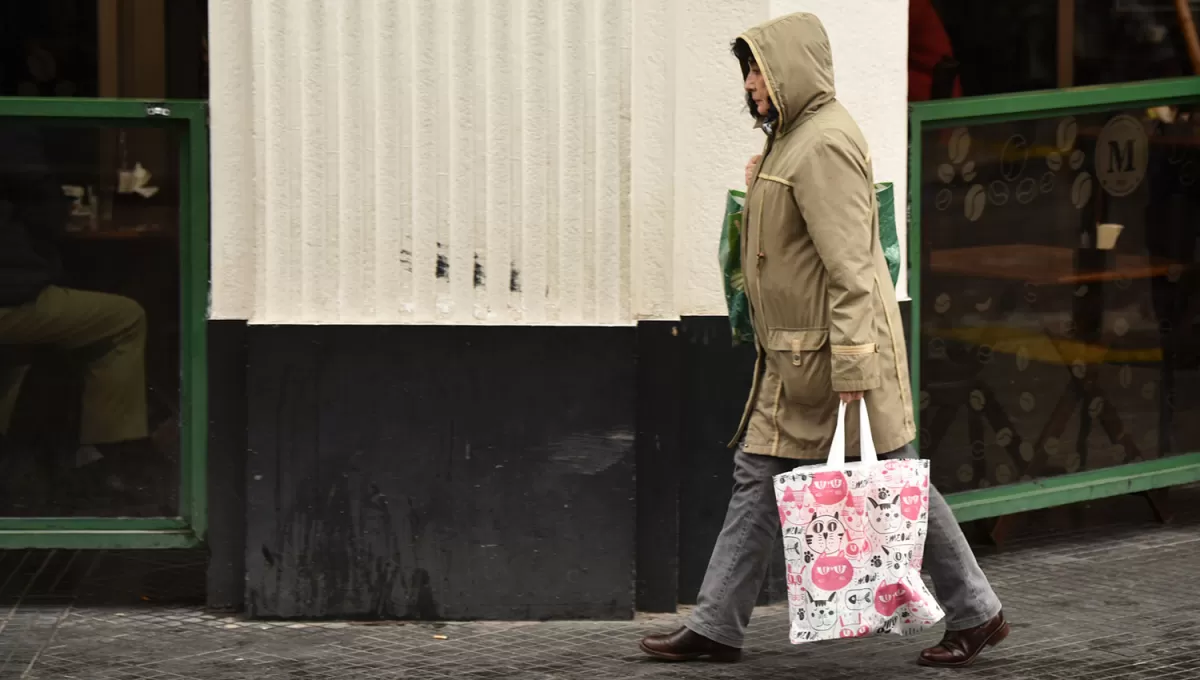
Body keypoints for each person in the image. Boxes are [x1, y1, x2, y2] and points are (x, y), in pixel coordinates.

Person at [639, 13, 1008, 668]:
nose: (751, 84)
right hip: (796, 359)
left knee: (895, 480)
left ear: (788, 71)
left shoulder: (824, 144)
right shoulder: (792, 140)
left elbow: (852, 270)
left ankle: (977, 611)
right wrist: (757, 193)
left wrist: (853, 368)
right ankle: (717, 623)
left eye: (758, 69)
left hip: (835, 360)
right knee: (757, 476)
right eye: (747, 71)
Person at [0, 122, 155, 502]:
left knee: (26, 348)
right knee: (125, 318)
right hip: (8, 301)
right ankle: (108, 455)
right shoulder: (13, 132)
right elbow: (39, 199)